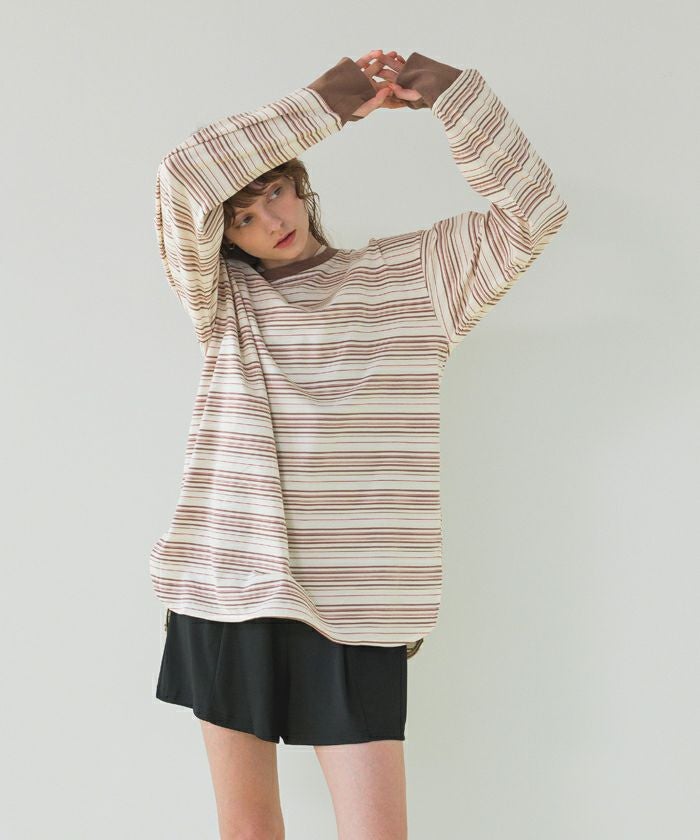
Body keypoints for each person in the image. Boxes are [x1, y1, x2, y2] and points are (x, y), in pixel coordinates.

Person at [152, 49, 568, 839]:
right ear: (225, 237)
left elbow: (534, 212)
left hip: (363, 599)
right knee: (249, 830)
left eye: (275, 193)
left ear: (298, 183)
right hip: (231, 583)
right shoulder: (224, 300)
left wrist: (452, 97)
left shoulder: (417, 279)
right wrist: (336, 100)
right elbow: (183, 174)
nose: (270, 221)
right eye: (242, 217)